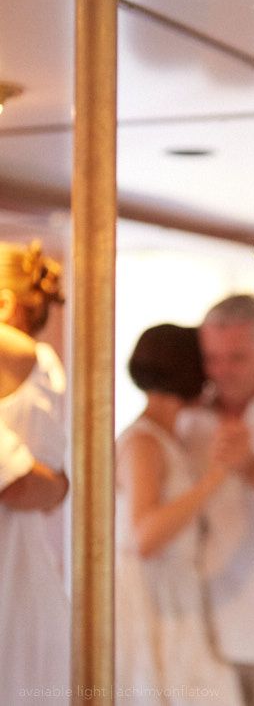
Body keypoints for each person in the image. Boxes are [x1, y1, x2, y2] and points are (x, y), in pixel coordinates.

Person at [115, 324, 243, 704]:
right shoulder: (144, 442)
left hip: (175, 593)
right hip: (154, 598)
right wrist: (216, 477)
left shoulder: (167, 437)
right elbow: (145, 537)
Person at [177, 295, 254, 706]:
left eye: (236, 358)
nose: (221, 371)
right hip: (198, 623)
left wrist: (252, 468)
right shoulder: (187, 416)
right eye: (212, 358)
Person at [0, 240, 69, 703]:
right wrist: (58, 487)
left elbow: (24, 487)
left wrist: (54, 487)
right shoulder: (45, 366)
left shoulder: (29, 361)